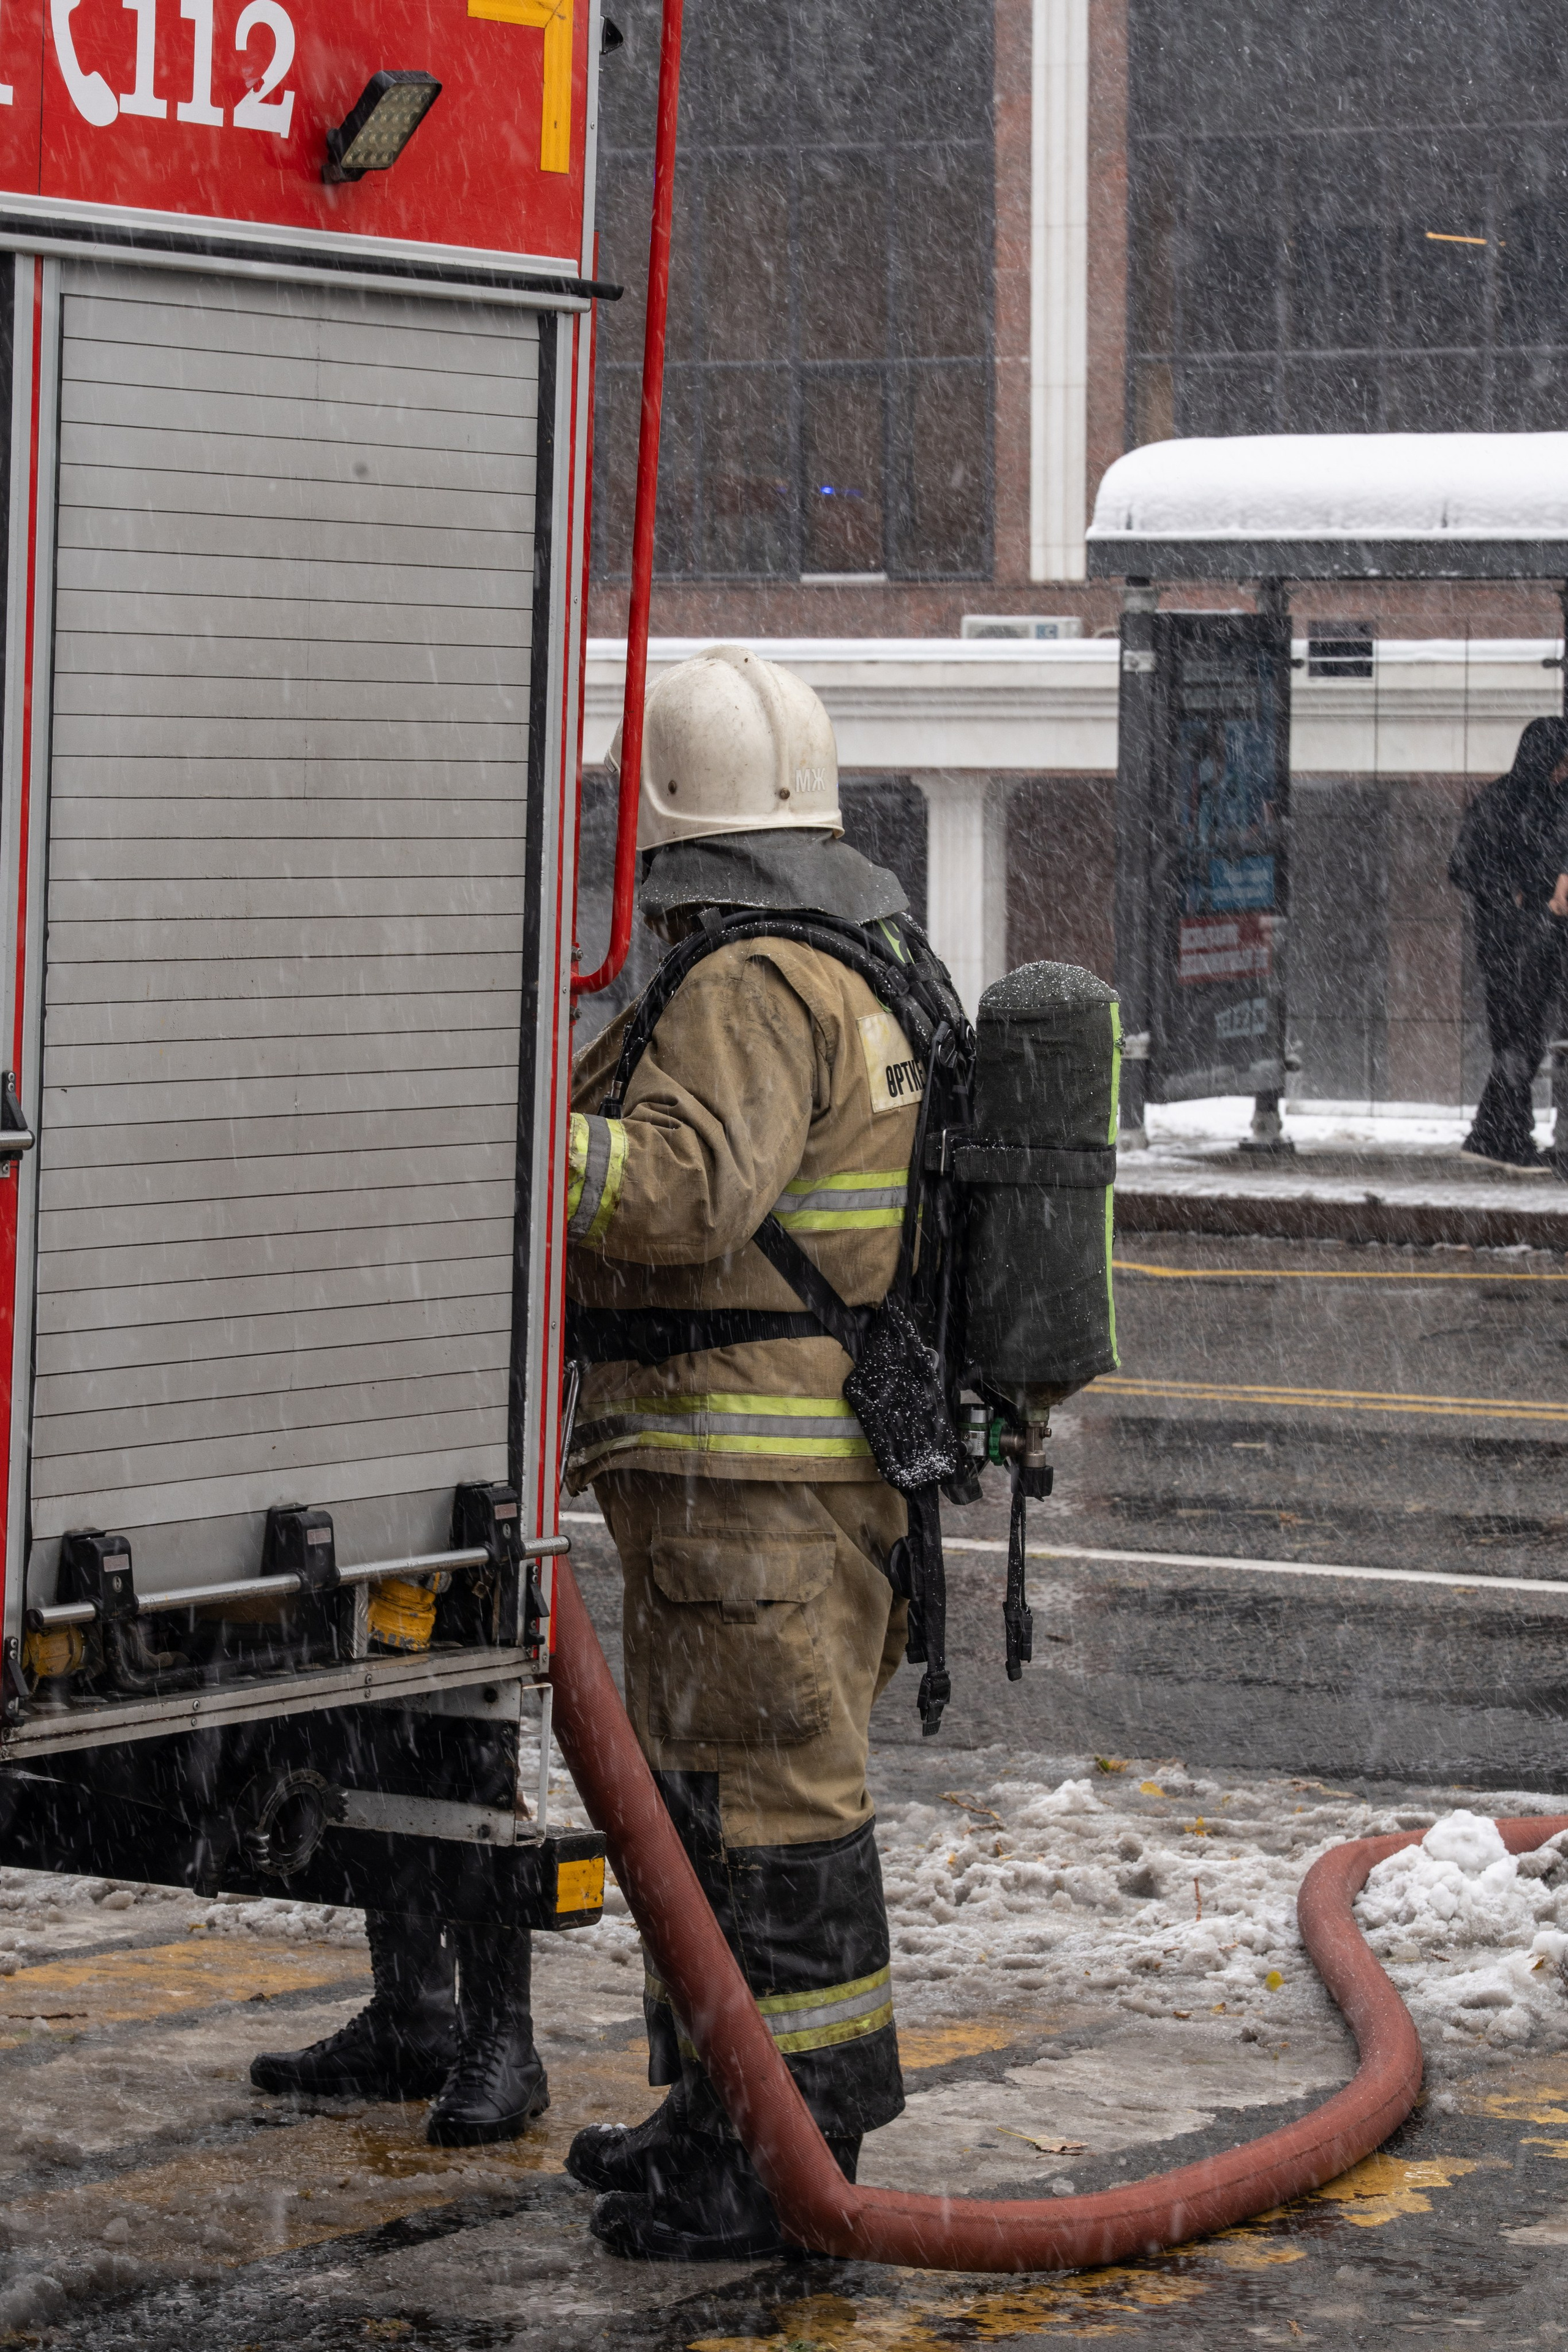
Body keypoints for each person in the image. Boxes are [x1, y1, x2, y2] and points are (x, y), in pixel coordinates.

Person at [559, 644, 952, 2261]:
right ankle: (724, 2111)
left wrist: (512, 1136)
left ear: (668, 818)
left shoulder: (742, 980)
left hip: (754, 1483)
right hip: (782, 1483)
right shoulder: (865, 953)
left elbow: (677, 1196)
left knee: (768, 1816)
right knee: (711, 1806)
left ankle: (785, 2158)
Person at [1449, 715, 1568, 1172]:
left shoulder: (1536, 800)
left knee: (1521, 1040)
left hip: (1524, 936)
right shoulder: (1511, 802)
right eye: (1560, 762)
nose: (1563, 771)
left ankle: (1498, 1135)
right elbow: (1464, 865)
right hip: (1510, 939)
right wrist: (1511, 894)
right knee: (1518, 1038)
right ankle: (1498, 1136)